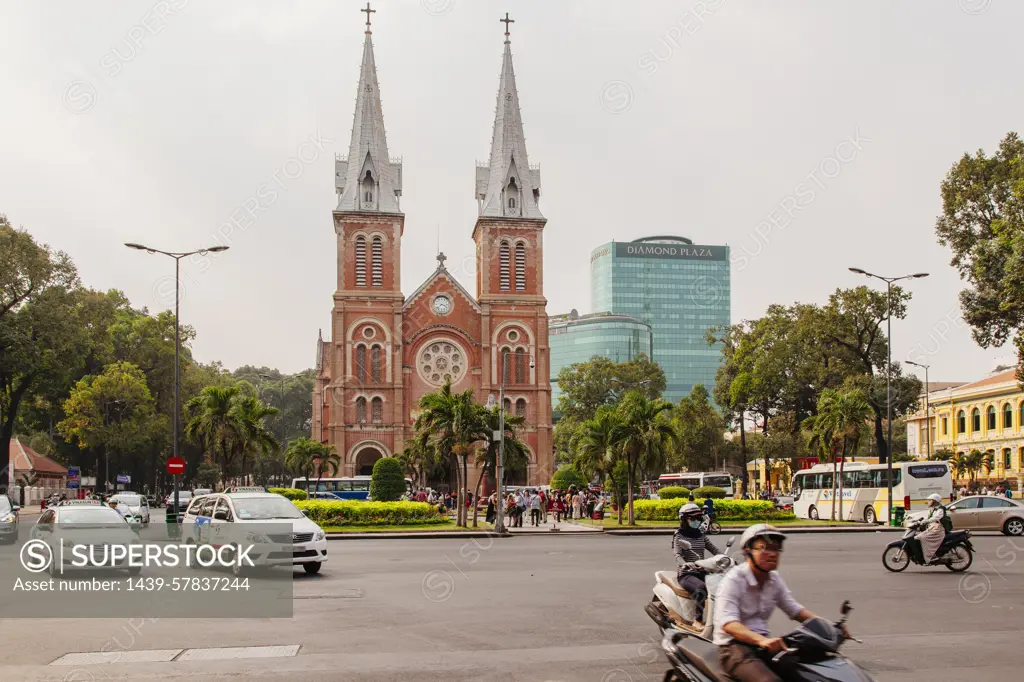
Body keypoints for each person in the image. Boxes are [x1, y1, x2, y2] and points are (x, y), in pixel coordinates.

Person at [714, 524, 819, 682]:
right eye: (764, 548)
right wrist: (761, 640)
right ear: (748, 551)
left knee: (808, 672)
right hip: (733, 648)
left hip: (763, 645)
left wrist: (827, 627)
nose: (772, 554)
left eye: (776, 548)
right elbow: (729, 623)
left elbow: (795, 610)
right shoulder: (733, 580)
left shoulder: (773, 579)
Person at [673, 503, 722, 625]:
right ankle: (698, 620)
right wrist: (685, 564)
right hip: (686, 574)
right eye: (693, 518)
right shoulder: (679, 536)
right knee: (701, 588)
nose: (696, 521)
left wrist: (725, 558)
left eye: (699, 518)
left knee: (722, 586)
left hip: (702, 571)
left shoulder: (701, 535)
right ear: (684, 520)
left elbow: (714, 549)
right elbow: (677, 555)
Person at [917, 493, 948, 563]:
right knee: (917, 537)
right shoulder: (932, 509)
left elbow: (935, 518)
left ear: (934, 501)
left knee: (923, 537)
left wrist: (925, 522)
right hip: (932, 528)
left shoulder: (940, 510)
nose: (928, 502)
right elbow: (927, 517)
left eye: (930, 500)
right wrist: (918, 521)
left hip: (938, 530)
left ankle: (932, 556)